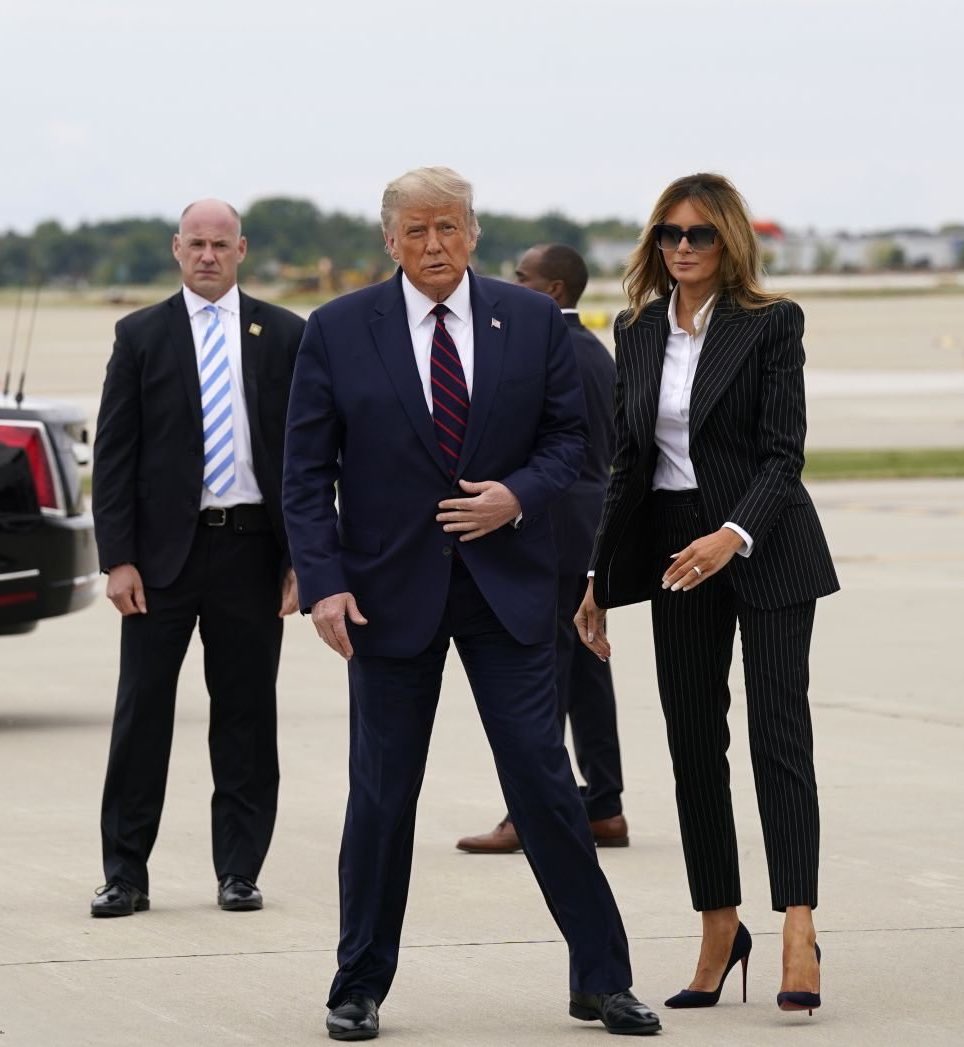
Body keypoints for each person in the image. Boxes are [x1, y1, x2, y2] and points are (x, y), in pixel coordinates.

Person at [283, 167, 661, 1040]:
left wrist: (516, 495)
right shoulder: (338, 329)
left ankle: (602, 979)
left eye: (448, 227)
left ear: (473, 232)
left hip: (508, 591)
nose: (434, 245)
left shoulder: (530, 320)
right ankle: (357, 984)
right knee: (382, 796)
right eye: (416, 231)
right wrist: (324, 581)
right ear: (390, 240)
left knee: (544, 783)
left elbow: (571, 438)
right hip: (386, 597)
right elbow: (304, 473)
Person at [576, 173, 839, 1017]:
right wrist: (598, 578)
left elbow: (783, 454)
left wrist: (733, 533)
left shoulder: (771, 322)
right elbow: (628, 463)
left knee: (778, 739)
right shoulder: (637, 328)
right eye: (669, 234)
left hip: (764, 544)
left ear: (729, 242)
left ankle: (799, 926)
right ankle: (720, 926)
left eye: (699, 234)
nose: (682, 248)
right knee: (693, 744)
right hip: (674, 550)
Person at [90, 199, 305, 917]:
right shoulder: (140, 335)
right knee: (142, 714)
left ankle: (239, 869)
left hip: (252, 552)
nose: (208, 255)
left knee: (247, 717)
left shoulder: (284, 334)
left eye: (220, 243)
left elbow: (306, 456)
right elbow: (114, 457)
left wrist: (303, 557)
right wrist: (118, 559)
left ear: (241, 249)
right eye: (196, 243)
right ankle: (125, 874)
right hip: (159, 564)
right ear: (176, 248)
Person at [456, 243, 628, 854]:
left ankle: (531, 814)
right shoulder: (594, 351)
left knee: (542, 674)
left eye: (522, 276)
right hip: (591, 526)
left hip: (554, 528)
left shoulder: (549, 350)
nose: (510, 283)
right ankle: (604, 804)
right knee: (586, 667)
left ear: (553, 290)